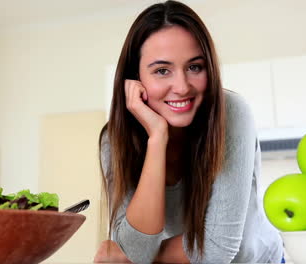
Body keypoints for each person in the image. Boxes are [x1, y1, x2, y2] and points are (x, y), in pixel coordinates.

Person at [93, 1, 284, 263]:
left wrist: (127, 256)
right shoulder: (114, 140)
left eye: (195, 67)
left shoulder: (231, 112)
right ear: (135, 78)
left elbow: (218, 250)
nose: (182, 87)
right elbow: (138, 250)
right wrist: (157, 138)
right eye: (162, 71)